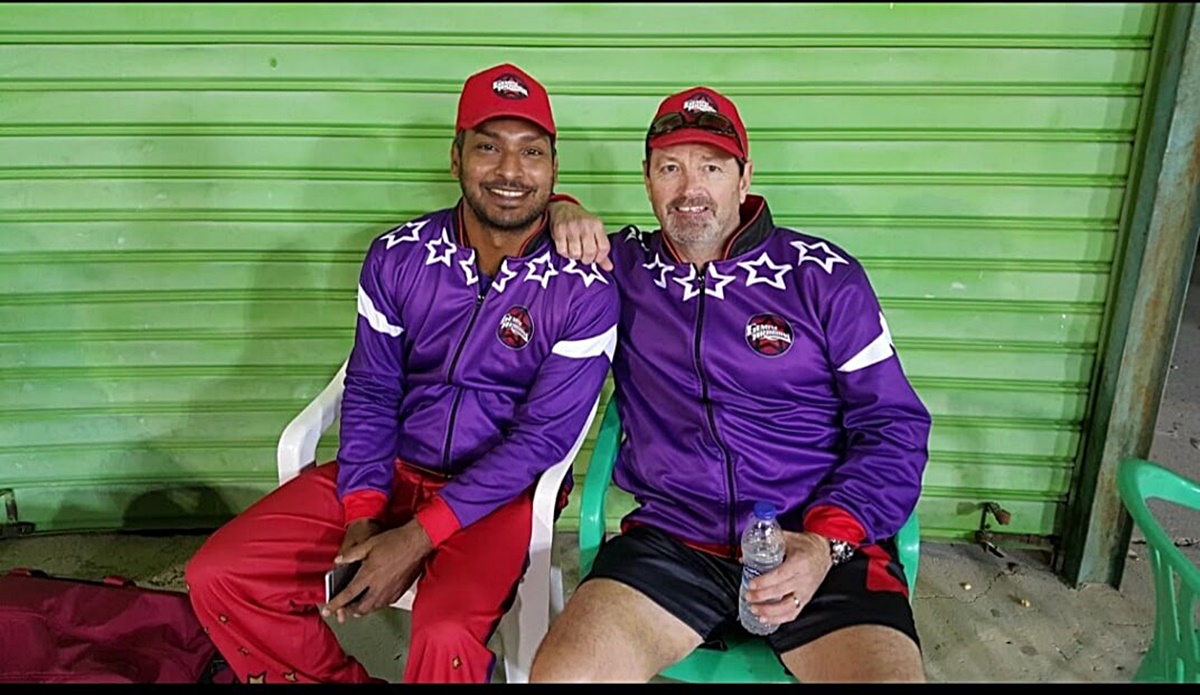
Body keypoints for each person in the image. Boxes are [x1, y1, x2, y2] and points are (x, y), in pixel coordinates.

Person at [184, 63, 619, 684]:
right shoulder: (400, 255)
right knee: (220, 575)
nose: (510, 171)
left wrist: (416, 537)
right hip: (390, 468)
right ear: (455, 157)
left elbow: (541, 440)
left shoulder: (585, 285)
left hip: (498, 496)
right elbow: (370, 387)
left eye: (531, 152)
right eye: (488, 148)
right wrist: (364, 511)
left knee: (446, 636)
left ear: (554, 170)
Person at [530, 86, 932, 682]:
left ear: (745, 179)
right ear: (647, 180)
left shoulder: (824, 276)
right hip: (675, 539)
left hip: (813, 541)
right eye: (670, 168)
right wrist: (559, 209)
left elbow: (894, 426)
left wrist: (827, 540)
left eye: (712, 168)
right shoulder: (620, 268)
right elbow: (515, 247)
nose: (689, 189)